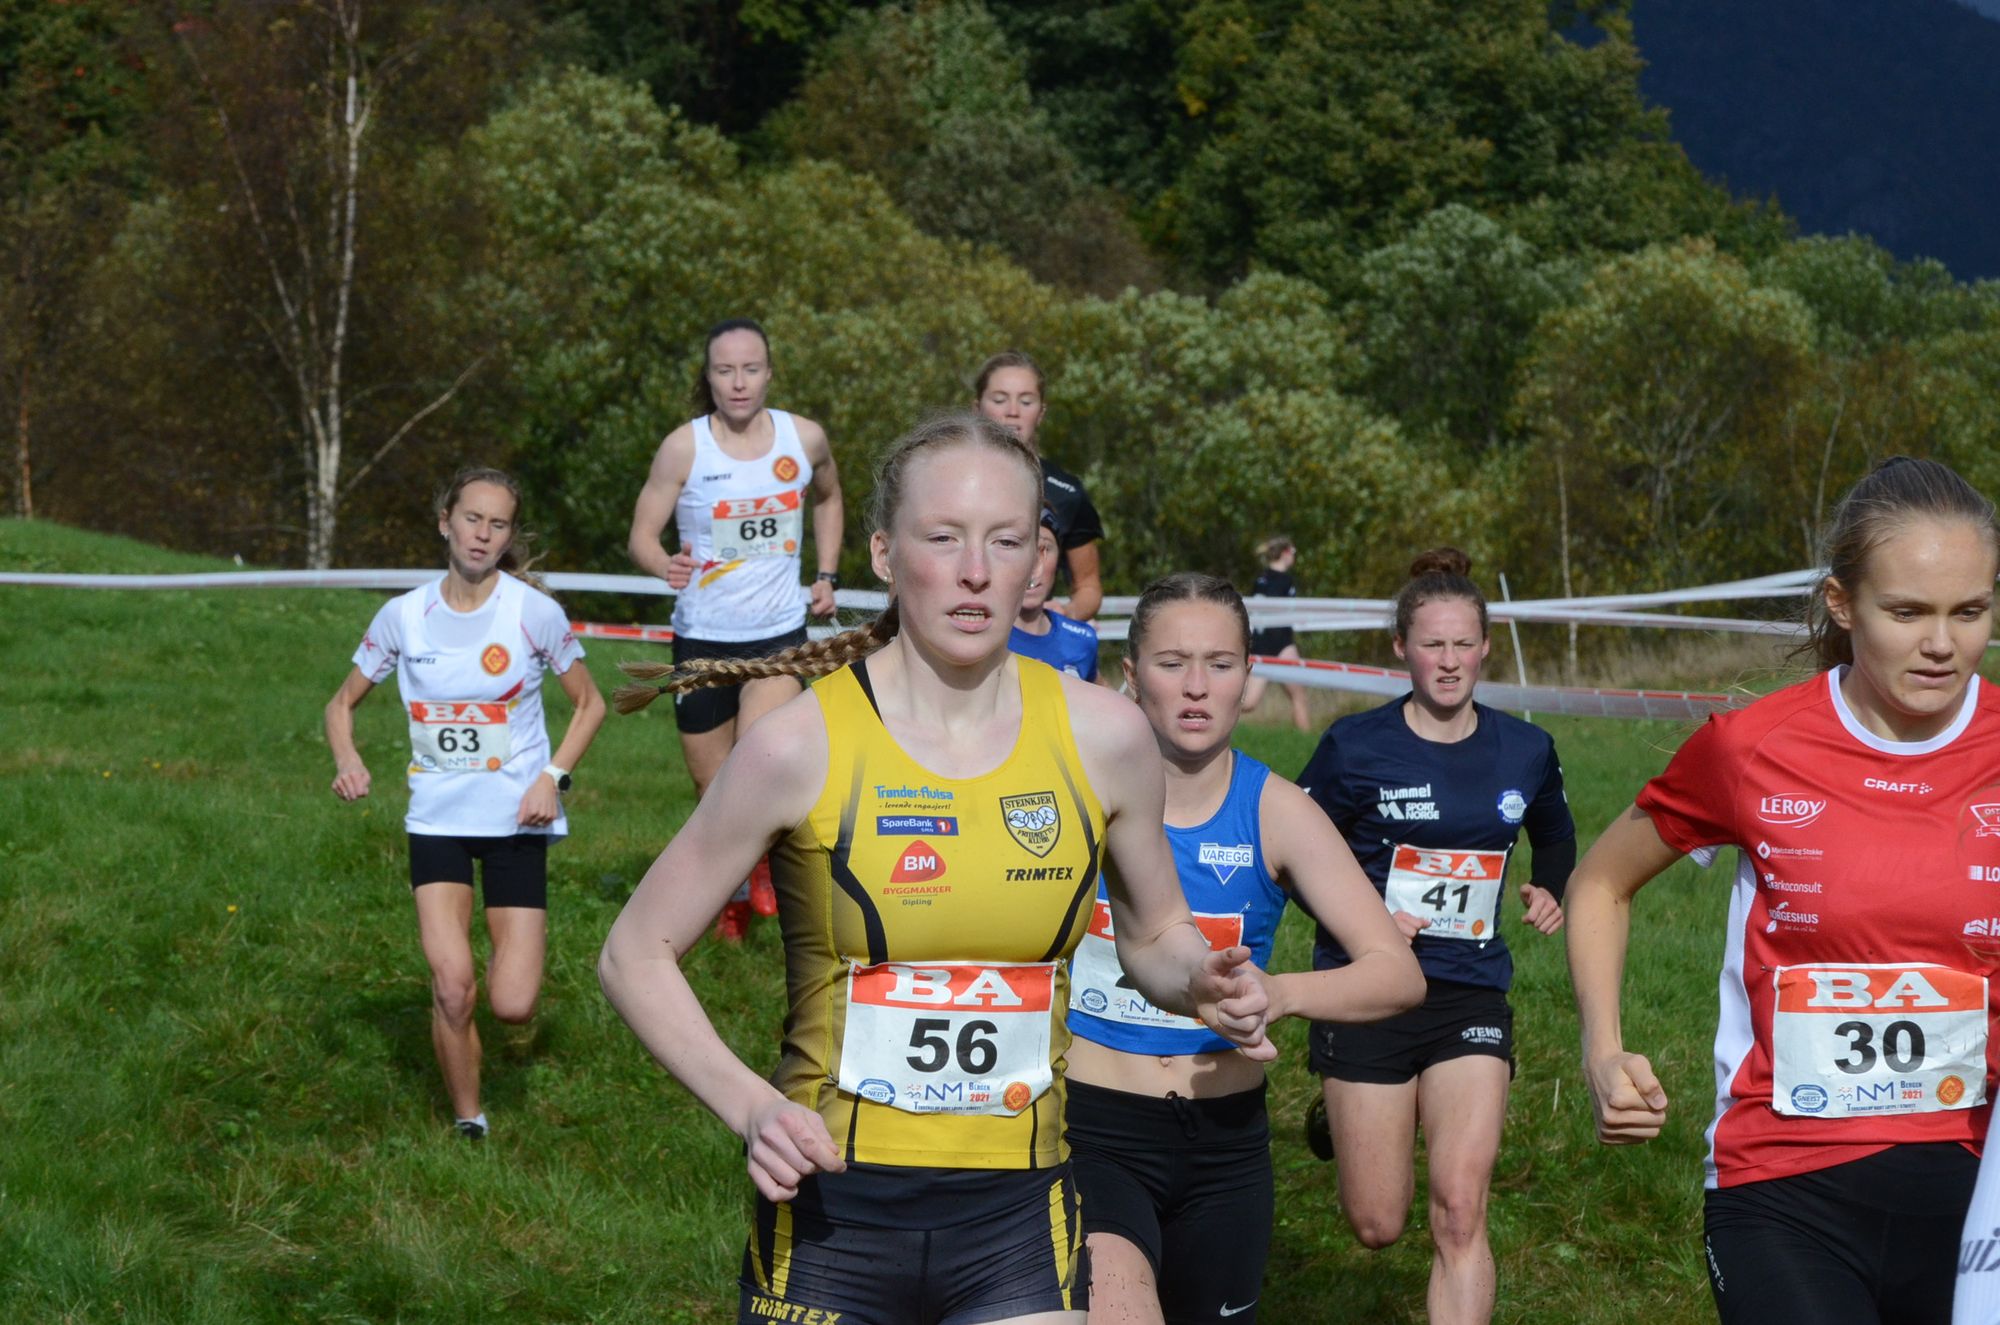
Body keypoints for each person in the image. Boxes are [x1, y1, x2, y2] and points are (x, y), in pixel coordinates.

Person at [598, 412, 1274, 1325]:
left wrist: (1202, 980)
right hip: (833, 1208)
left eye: (1004, 541)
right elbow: (634, 952)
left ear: (1039, 561)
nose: (973, 570)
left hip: (1018, 1212)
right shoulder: (797, 745)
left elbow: (1154, 932)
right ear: (882, 551)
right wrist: (750, 1107)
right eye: (943, 537)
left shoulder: (1106, 737)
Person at [1567, 457, 2000, 1325]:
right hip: (1783, 1184)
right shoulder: (1750, 749)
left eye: (1971, 611)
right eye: (1908, 611)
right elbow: (1600, 883)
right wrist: (1602, 1048)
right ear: (1843, 605)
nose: (1942, 643)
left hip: (1977, 1191)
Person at [1065, 572, 1424, 1325]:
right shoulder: (1069, 802)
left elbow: (1396, 972)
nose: (1196, 687)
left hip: (1224, 1146)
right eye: (1172, 663)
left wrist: (1281, 992)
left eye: (1220, 664)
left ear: (1248, 679)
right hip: (1094, 1129)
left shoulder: (1278, 809)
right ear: (1130, 676)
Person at [1296, 547, 1574, 1325]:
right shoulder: (1355, 748)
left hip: (1469, 992)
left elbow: (1555, 834)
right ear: (1400, 648)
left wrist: (1549, 886)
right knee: (1377, 1223)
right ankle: (1345, 1113)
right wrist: (1365, 917)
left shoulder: (1526, 747)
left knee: (1459, 1207)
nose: (1448, 662)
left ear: (1485, 647)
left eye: (1462, 644)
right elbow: (1290, 857)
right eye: (1431, 644)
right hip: (1368, 989)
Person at [325, 466, 606, 1140]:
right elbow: (340, 704)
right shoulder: (402, 615)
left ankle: (483, 1035)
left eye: (498, 523)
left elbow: (591, 703)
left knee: (511, 1004)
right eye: (472, 518)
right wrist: (349, 758)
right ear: (445, 520)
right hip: (437, 824)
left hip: (517, 820)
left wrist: (553, 777)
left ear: (510, 535)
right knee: (453, 984)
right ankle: (468, 1117)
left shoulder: (531, 611)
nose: (483, 533)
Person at [627, 317, 844, 939]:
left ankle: (767, 872)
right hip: (700, 636)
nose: (739, 382)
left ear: (769, 372)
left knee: (758, 761)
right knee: (709, 785)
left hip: (778, 634)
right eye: (725, 370)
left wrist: (826, 571)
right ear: (709, 376)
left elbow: (829, 498)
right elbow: (642, 533)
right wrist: (660, 562)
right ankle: (730, 887)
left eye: (750, 369)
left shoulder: (803, 439)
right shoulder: (684, 448)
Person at [975, 350, 1104, 622]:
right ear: (977, 407)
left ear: (1041, 412)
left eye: (1026, 401)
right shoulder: (942, 480)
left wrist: (1066, 614)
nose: (1012, 412)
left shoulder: (1067, 493)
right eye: (1000, 399)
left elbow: (1088, 588)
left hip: (1031, 647)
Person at [1009, 510, 1101, 682]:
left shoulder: (1081, 639)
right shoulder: (984, 641)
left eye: (1044, 548)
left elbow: (1106, 703)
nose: (1034, 564)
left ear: (1059, 558)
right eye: (1019, 547)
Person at [1240, 536, 1312, 732]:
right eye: (1294, 553)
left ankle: (1307, 744)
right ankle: (1216, 714)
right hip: (1267, 647)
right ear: (1286, 553)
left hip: (1280, 645)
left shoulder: (1260, 579)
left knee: (1299, 694)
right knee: (1248, 703)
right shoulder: (1284, 581)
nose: (1294, 557)